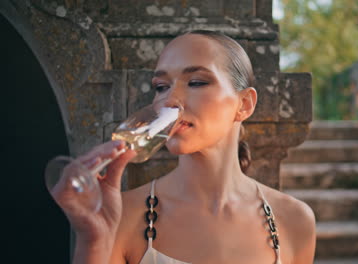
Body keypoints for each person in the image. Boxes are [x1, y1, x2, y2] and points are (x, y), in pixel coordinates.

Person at [57, 30, 316, 264]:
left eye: (196, 82)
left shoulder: (294, 220)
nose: (170, 100)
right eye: (161, 87)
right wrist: (92, 241)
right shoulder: (123, 217)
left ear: (244, 104)